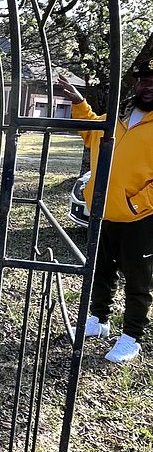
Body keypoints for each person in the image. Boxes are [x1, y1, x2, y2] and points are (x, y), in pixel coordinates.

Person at [58, 62, 153, 364]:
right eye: (143, 81)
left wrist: (135, 204)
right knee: (101, 270)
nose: (147, 86)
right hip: (103, 213)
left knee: (138, 281)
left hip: (140, 219)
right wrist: (78, 101)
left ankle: (131, 337)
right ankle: (99, 321)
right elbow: (91, 129)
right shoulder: (119, 118)